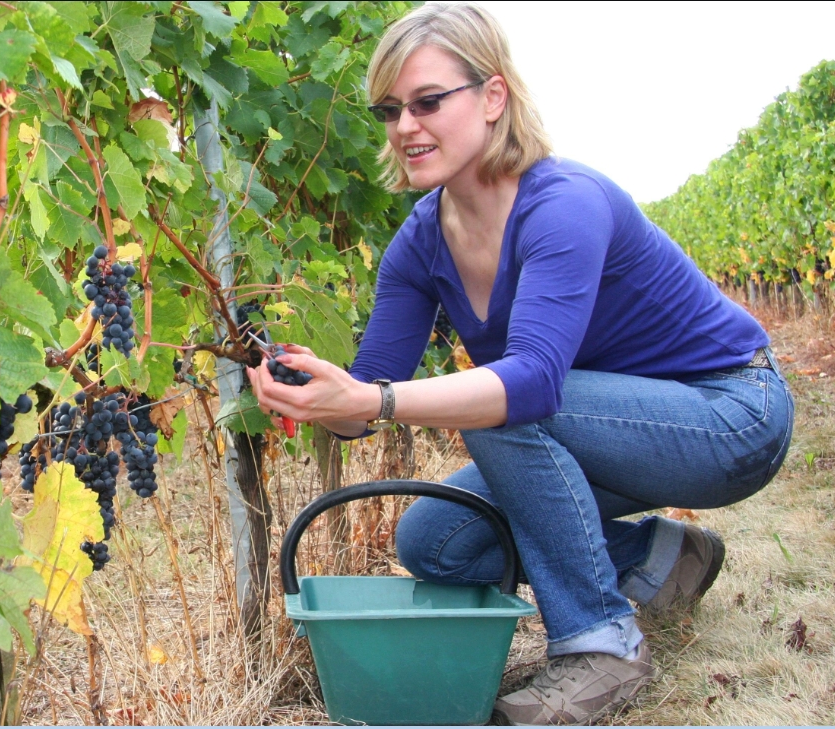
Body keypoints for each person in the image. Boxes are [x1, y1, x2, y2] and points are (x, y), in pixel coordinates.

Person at [246, 3, 794, 725]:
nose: (405, 126)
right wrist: (314, 393)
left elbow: (528, 382)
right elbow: (369, 391)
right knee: (436, 543)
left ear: (493, 97)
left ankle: (600, 644)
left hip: (730, 415)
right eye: (390, 109)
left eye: (427, 101)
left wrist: (373, 402)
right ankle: (659, 558)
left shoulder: (562, 202)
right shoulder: (420, 244)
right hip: (611, 428)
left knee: (499, 403)